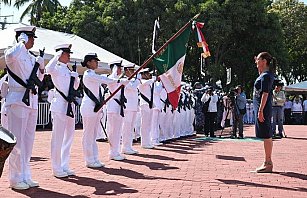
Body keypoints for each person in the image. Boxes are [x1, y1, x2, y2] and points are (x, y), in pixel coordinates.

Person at [4, 26, 44, 190]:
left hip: (31, 101)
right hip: (18, 99)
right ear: (23, 38)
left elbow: (38, 80)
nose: (33, 40)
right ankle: (15, 178)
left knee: (28, 141)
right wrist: (21, 41)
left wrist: (41, 68)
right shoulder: (13, 52)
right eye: (30, 37)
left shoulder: (30, 57)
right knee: (18, 142)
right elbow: (11, 56)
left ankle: (25, 175)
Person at [45, 44, 80, 178]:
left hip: (69, 105)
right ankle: (56, 167)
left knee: (69, 137)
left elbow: (75, 87)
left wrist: (76, 78)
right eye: (66, 53)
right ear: (61, 54)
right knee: (58, 138)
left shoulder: (67, 69)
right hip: (59, 104)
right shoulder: (57, 68)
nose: (69, 55)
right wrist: (56, 56)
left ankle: (64, 164)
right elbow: (48, 69)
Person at [80, 53, 117, 168]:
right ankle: (89, 159)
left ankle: (95, 158)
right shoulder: (88, 75)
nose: (97, 63)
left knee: (94, 134)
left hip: (95, 107)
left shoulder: (93, 75)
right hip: (89, 107)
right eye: (94, 61)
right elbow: (104, 79)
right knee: (88, 134)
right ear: (88, 62)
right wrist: (119, 81)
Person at [253, 52, 275, 173]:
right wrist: (259, 67)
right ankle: (267, 161)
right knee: (266, 134)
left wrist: (261, 110)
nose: (256, 61)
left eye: (258, 59)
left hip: (264, 108)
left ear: (264, 61)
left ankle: (268, 162)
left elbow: (265, 94)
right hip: (262, 108)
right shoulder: (264, 75)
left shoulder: (266, 76)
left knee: (266, 135)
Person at [106, 60, 129, 161]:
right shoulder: (111, 78)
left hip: (118, 107)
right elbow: (112, 82)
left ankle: (116, 151)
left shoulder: (118, 79)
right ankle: (112, 152)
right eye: (119, 68)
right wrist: (119, 81)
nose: (121, 70)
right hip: (113, 107)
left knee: (118, 130)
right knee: (113, 131)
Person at [121, 63, 140, 154]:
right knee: (127, 127)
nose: (133, 72)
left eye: (133, 70)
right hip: (127, 107)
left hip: (133, 107)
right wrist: (138, 79)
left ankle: (129, 146)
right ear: (126, 71)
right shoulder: (125, 80)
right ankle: (125, 147)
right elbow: (132, 87)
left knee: (131, 127)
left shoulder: (132, 80)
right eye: (131, 70)